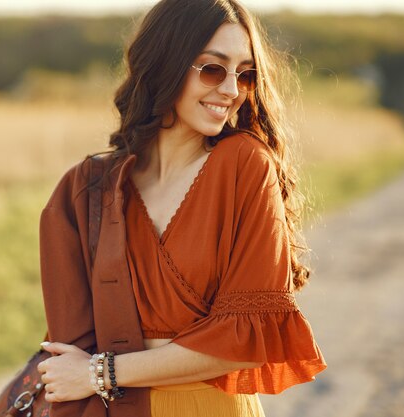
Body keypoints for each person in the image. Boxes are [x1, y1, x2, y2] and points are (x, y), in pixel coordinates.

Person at [36, 0, 327, 416]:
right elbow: (68, 351)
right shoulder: (85, 190)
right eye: (212, 69)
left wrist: (102, 372)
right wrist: (88, 375)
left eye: (245, 75)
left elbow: (246, 345)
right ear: (164, 63)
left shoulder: (244, 166)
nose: (230, 90)